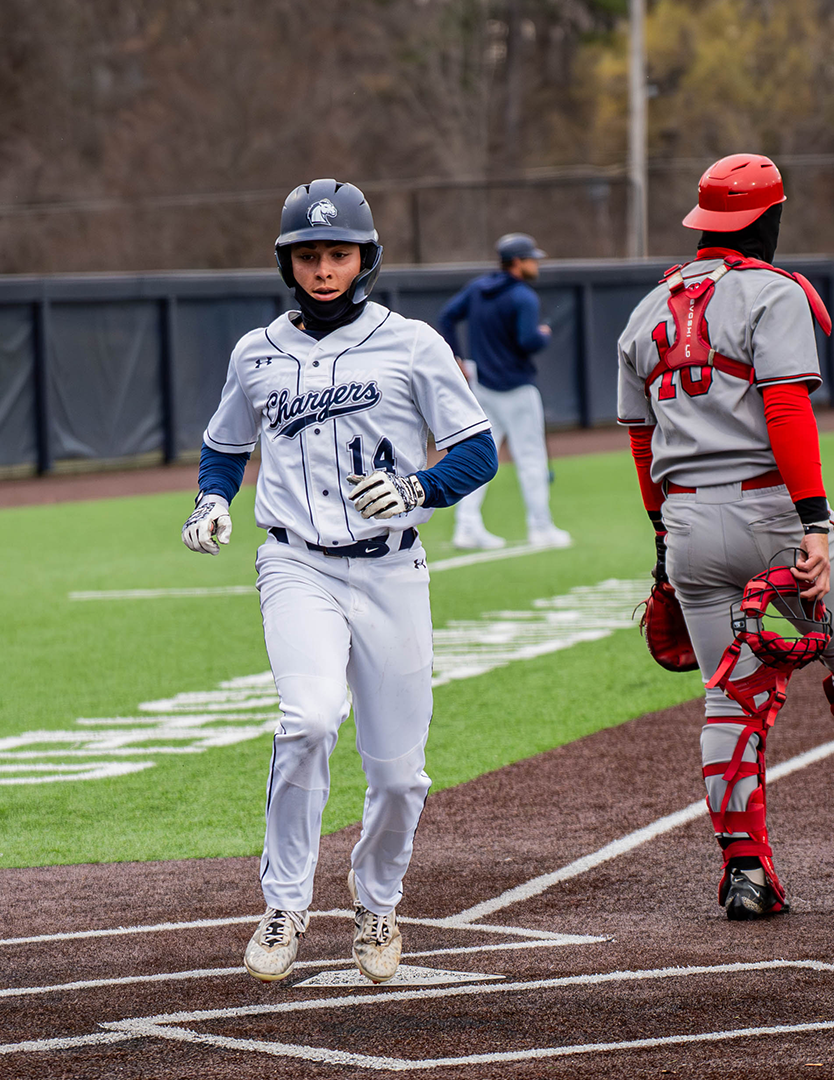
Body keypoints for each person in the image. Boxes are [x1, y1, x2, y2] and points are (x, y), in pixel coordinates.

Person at [614, 153, 834, 921]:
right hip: (774, 511)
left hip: (688, 523)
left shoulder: (645, 311)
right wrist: (811, 522)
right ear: (772, 220)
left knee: (728, 700)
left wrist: (663, 538)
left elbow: (642, 445)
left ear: (702, 223)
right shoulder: (774, 294)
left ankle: (746, 870)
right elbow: (787, 412)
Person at [181, 179, 498, 983]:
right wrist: (213, 500)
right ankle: (285, 903)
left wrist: (422, 488)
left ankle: (377, 901)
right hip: (296, 563)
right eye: (309, 255)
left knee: (399, 774)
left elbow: (477, 448)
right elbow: (225, 444)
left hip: (391, 569)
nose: (324, 268)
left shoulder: (414, 343)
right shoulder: (256, 352)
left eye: (338, 253)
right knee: (310, 720)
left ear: (365, 260)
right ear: (289, 263)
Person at [434, 232, 568, 551]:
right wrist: (543, 334)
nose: (536, 264)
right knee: (531, 458)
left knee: (478, 457)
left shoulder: (479, 288)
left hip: (482, 389)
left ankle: (466, 528)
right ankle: (541, 527)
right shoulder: (523, 297)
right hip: (517, 388)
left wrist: (457, 357)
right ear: (518, 263)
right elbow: (527, 341)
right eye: (532, 259)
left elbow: (447, 317)